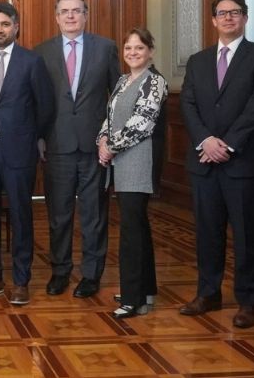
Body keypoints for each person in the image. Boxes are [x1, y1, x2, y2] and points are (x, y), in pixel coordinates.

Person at [179, 0, 254, 329]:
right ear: (213, 20)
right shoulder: (198, 60)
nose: (228, 18)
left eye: (235, 13)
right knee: (207, 232)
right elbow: (189, 105)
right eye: (222, 13)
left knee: (247, 235)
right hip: (204, 160)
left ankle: (248, 301)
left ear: (245, 18)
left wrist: (228, 144)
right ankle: (208, 293)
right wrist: (206, 141)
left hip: (245, 162)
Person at [0, 2, 54, 306]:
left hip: (19, 150)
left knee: (20, 215)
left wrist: (30, 136)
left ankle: (20, 281)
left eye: (5, 24)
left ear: (15, 27)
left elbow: (45, 107)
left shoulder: (31, 61)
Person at [34, 0, 120, 298]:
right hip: (56, 144)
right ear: (56, 17)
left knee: (94, 214)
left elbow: (118, 97)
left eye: (76, 11)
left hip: (95, 145)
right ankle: (60, 270)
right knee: (58, 214)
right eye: (64, 12)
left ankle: (92, 274)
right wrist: (39, 137)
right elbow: (37, 101)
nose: (70, 17)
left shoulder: (105, 48)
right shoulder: (41, 52)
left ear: (86, 15)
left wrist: (109, 136)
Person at [97, 28, 167, 318]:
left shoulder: (155, 81)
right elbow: (110, 116)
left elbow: (143, 123)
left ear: (150, 51)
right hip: (119, 160)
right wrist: (101, 139)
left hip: (139, 160)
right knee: (137, 226)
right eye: (128, 48)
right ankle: (145, 289)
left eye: (139, 48)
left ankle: (132, 298)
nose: (133, 53)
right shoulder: (124, 80)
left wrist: (110, 147)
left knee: (131, 230)